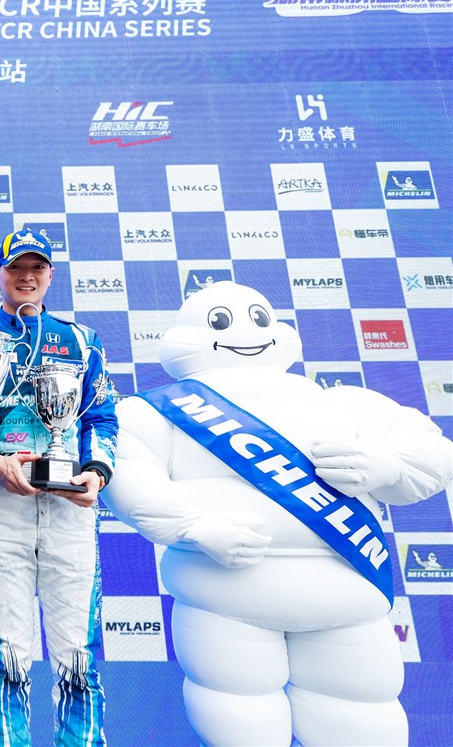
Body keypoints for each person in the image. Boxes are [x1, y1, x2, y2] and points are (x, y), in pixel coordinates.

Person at [103, 281, 452, 746]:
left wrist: (386, 465)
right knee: (238, 713)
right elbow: (124, 472)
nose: (244, 332)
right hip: (226, 597)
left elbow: (431, 450)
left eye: (258, 319)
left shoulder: (343, 403)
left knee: (361, 713)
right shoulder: (154, 411)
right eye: (222, 322)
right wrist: (196, 526)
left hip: (347, 596)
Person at [0, 230, 117, 746]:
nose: (26, 276)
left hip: (69, 506)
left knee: (77, 655)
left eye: (37, 267)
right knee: (7, 653)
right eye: (15, 267)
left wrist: (97, 472)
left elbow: (101, 416)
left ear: (51, 275)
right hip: (0, 509)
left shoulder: (82, 340)